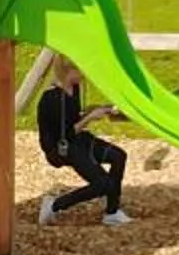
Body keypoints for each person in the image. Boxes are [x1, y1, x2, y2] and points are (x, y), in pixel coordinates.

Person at [34, 59, 131, 228]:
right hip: (61, 148)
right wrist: (91, 118)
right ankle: (55, 205)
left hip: (77, 139)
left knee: (118, 156)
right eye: (81, 71)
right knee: (102, 184)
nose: (84, 75)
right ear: (69, 71)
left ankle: (112, 213)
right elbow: (65, 134)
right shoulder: (52, 99)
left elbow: (75, 117)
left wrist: (102, 110)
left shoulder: (74, 88)